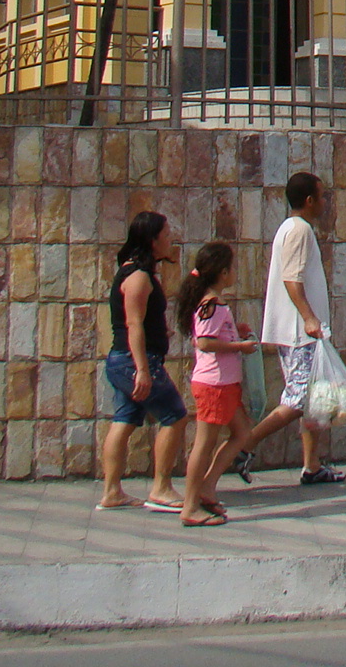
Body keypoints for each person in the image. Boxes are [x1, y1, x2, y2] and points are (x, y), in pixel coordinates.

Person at [244, 171, 346, 485]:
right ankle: (245, 444)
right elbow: (292, 278)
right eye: (323, 196)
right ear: (310, 200)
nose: (326, 202)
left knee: (314, 398)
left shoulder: (294, 229)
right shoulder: (299, 230)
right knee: (298, 399)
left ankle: (311, 465)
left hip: (302, 332)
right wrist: (309, 318)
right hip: (300, 334)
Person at [98, 211, 187, 512]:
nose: (170, 238)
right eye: (166, 233)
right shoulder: (137, 276)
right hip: (133, 361)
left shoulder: (134, 271)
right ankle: (161, 488)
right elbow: (133, 325)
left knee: (124, 420)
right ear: (152, 240)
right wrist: (143, 371)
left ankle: (112, 492)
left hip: (126, 360)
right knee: (175, 415)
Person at [175, 241, 260, 526]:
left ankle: (208, 487)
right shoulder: (211, 304)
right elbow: (205, 341)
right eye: (232, 268)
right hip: (214, 384)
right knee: (204, 443)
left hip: (225, 384)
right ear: (223, 273)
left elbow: (215, 335)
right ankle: (190, 506)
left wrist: (238, 334)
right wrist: (239, 348)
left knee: (242, 432)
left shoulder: (215, 304)